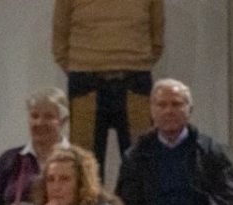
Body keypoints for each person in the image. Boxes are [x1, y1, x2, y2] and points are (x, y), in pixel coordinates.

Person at [51, 0, 161, 173]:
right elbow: (60, 40)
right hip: (86, 83)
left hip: (134, 81)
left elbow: (157, 38)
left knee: (141, 165)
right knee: (85, 167)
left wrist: (134, 62)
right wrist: (83, 65)